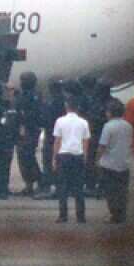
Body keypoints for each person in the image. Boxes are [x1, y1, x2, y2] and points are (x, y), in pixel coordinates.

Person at [53, 96, 91, 224]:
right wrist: (85, 156)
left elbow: (57, 141)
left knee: (62, 186)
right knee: (78, 187)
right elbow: (86, 141)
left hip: (63, 155)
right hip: (78, 155)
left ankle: (63, 216)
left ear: (66, 106)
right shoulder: (84, 122)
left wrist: (54, 158)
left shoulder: (60, 121)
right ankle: (81, 216)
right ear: (78, 108)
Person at [97, 98, 134, 223]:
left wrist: (97, 159)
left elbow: (102, 145)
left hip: (109, 164)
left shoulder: (108, 126)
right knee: (122, 191)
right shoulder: (128, 125)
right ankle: (122, 214)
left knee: (111, 191)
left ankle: (114, 215)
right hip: (124, 163)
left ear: (110, 113)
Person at [35, 79, 67, 200]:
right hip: (64, 136)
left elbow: (45, 120)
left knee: (48, 161)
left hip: (51, 135)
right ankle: (61, 187)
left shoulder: (51, 103)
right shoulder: (65, 102)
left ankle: (48, 187)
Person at [14, 72, 43, 196]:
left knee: (27, 156)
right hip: (25, 129)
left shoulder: (32, 96)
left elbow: (30, 113)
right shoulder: (26, 95)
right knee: (23, 157)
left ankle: (40, 182)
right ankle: (29, 185)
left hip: (29, 130)